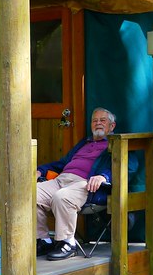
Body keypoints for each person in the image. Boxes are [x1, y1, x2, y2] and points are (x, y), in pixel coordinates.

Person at [35, 107, 136, 261]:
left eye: (103, 120)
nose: (98, 123)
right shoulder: (84, 143)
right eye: (95, 121)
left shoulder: (117, 143)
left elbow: (130, 166)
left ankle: (67, 243)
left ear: (112, 126)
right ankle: (43, 240)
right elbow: (62, 163)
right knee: (30, 193)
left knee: (61, 197)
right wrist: (40, 171)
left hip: (86, 184)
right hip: (62, 179)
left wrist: (104, 176)